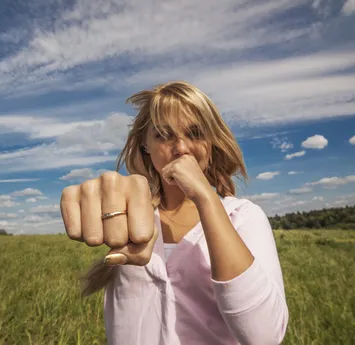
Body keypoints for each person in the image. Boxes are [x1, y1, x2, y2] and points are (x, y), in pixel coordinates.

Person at [60, 80, 288, 345]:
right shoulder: (130, 213)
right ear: (145, 145)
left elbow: (264, 337)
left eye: (195, 133)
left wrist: (205, 196)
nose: (181, 148)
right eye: (163, 135)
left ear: (211, 143)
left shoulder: (244, 217)